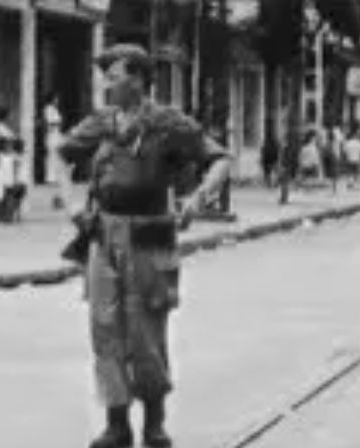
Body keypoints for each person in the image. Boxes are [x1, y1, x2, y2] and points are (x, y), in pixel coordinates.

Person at [60, 44, 231, 448]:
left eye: (114, 76)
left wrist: (199, 197)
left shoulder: (167, 123)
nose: (107, 85)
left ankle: (154, 423)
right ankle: (116, 423)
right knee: (105, 333)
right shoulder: (102, 122)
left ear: (137, 79)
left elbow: (220, 158)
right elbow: (61, 154)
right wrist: (70, 200)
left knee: (146, 336)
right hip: (104, 238)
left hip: (148, 240)